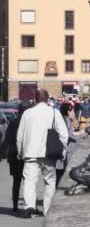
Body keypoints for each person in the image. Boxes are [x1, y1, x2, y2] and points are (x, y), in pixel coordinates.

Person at [17, 89, 68, 218]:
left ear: (35, 99)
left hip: (30, 153)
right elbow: (64, 134)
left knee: (29, 181)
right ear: (47, 100)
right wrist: (63, 151)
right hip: (48, 153)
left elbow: (20, 136)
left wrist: (20, 152)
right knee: (50, 182)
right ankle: (47, 209)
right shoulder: (54, 113)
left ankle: (29, 207)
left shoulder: (27, 113)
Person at [0, 102, 32, 213]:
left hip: (14, 155)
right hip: (27, 154)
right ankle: (29, 206)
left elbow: (8, 138)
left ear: (18, 110)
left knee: (16, 181)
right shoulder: (29, 122)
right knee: (28, 181)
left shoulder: (13, 122)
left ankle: (15, 206)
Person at [56, 103, 76, 187]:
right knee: (60, 173)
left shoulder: (63, 119)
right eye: (72, 111)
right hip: (64, 151)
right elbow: (66, 135)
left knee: (59, 173)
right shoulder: (66, 120)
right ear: (68, 112)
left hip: (62, 150)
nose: (74, 113)